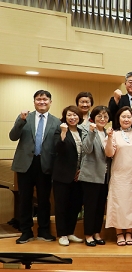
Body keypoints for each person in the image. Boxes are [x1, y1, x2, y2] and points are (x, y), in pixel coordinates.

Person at [9, 90, 61, 244]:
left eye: (45, 99)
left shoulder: (56, 121)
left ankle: (44, 231)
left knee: (44, 199)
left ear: (50, 102)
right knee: (25, 199)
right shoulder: (25, 118)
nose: (42, 102)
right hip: (25, 164)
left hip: (45, 164)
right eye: (39, 99)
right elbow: (12, 136)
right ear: (34, 102)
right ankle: (26, 231)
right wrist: (20, 120)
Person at [105, 106, 132, 246]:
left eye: (129, 117)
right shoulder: (113, 134)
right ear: (118, 119)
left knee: (131, 205)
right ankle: (119, 234)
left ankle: (129, 233)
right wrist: (110, 138)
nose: (126, 119)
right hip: (118, 176)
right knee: (118, 204)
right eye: (123, 117)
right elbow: (109, 154)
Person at [53, 105, 86, 246]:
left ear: (79, 117)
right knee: (61, 206)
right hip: (62, 175)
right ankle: (62, 234)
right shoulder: (59, 130)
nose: (72, 118)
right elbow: (57, 149)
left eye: (75, 115)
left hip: (79, 176)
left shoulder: (81, 131)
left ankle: (70, 232)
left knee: (75, 206)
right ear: (65, 117)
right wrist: (63, 134)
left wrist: (81, 170)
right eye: (69, 115)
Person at [79, 106, 111, 246]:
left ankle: (97, 232)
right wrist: (92, 132)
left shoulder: (107, 132)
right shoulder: (87, 129)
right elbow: (86, 149)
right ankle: (88, 234)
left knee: (100, 207)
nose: (102, 119)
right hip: (91, 175)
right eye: (99, 116)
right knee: (90, 207)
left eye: (105, 117)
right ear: (93, 117)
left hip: (104, 175)